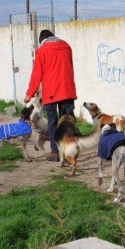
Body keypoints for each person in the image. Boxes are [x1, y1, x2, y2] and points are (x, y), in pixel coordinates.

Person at [24, 29, 77, 162]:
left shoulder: (42, 51)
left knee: (52, 123)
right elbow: (70, 67)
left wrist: (29, 94)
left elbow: (37, 75)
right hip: (67, 89)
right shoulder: (66, 47)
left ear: (42, 40)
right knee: (68, 122)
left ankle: (55, 152)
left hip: (51, 92)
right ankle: (70, 151)